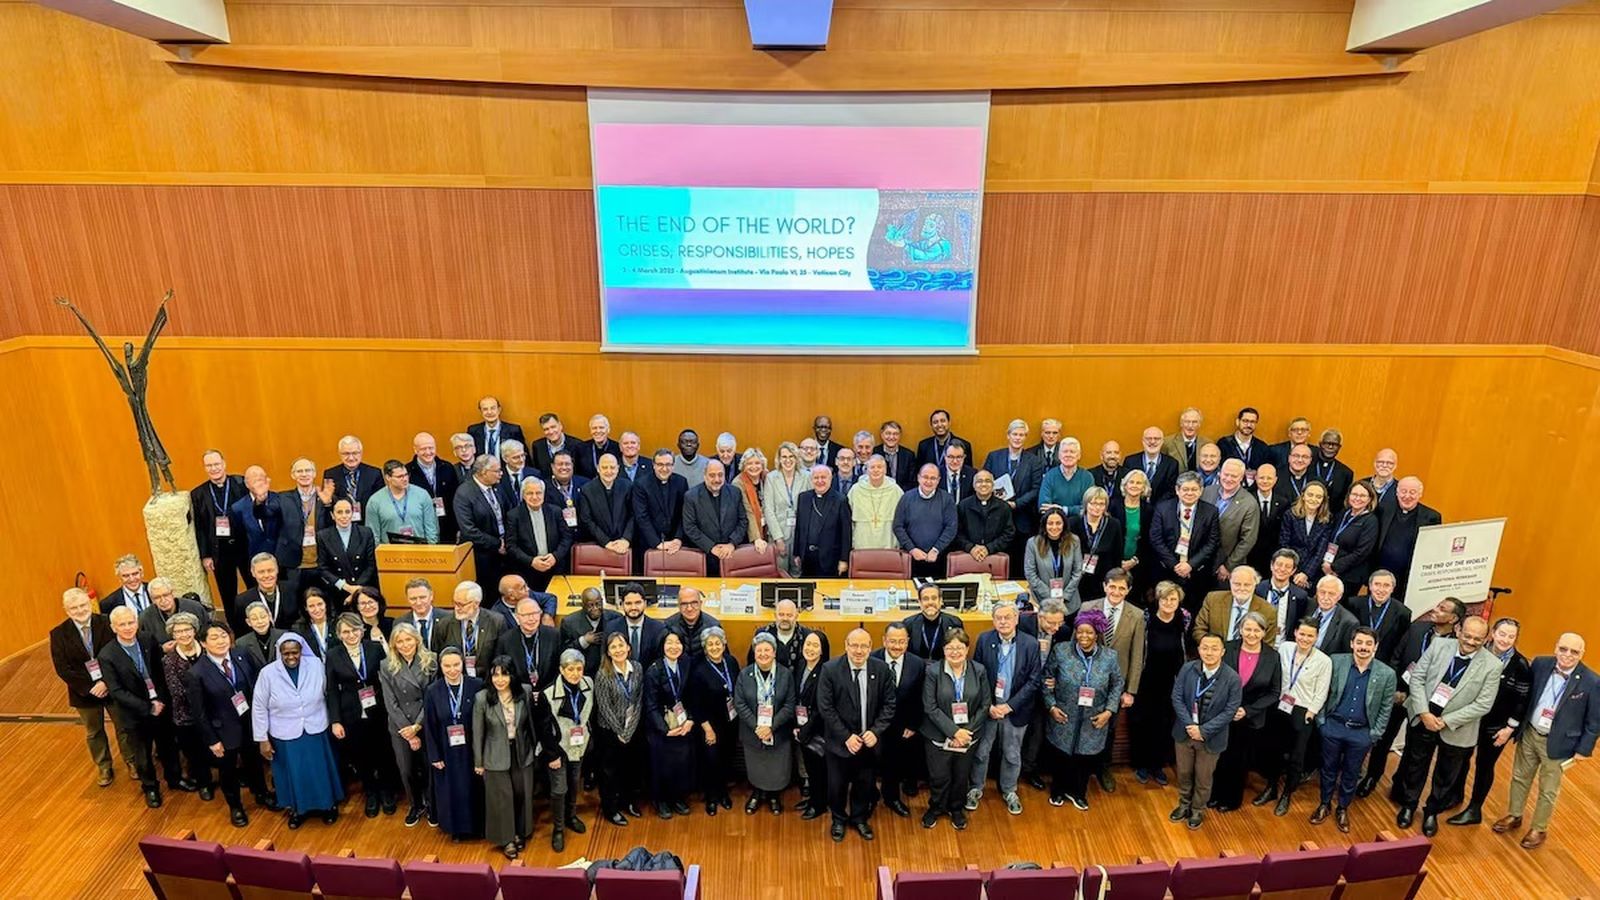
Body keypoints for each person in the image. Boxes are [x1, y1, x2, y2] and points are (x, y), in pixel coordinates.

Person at [1394, 615, 1498, 836]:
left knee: (1446, 773)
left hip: (1456, 728)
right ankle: (1409, 805)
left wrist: (1446, 721)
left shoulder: (1492, 665)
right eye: (1467, 636)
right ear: (1458, 630)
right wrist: (1424, 713)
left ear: (1486, 639)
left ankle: (1432, 811)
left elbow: (1483, 704)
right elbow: (1418, 677)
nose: (1470, 642)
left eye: (1477, 639)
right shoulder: (1439, 645)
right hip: (1423, 718)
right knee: (1415, 764)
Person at [1496, 632, 1600, 850]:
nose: (1567, 655)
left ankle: (1538, 828)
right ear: (1555, 648)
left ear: (1582, 654)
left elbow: (1594, 721)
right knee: (1519, 777)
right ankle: (1514, 815)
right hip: (1530, 733)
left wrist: (1584, 749)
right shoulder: (1541, 664)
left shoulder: (1592, 682)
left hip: (1560, 744)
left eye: (1574, 651)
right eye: (1563, 649)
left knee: (1548, 789)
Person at [1359, 596, 1469, 798]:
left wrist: (1418, 699)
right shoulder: (1417, 628)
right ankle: (1371, 777)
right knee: (1383, 739)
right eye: (1437, 604)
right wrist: (1394, 689)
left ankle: (1400, 786)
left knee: (1413, 748)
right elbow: (1396, 657)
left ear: (1453, 619)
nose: (1435, 609)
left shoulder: (1455, 645)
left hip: (1425, 705)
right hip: (1398, 695)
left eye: (1442, 608)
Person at [1447, 617, 1532, 826]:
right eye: (1502, 634)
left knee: (1485, 765)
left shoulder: (1520, 665)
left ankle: (1474, 809)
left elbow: (1522, 701)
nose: (1505, 640)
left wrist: (1509, 729)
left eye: (1511, 636)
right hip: (1469, 719)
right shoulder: (1477, 652)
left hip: (1495, 727)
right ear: (1492, 633)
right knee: (1461, 757)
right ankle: (1454, 795)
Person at [254, 633, 344, 828]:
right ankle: (298, 810)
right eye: (286, 653)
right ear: (279, 653)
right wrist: (262, 738)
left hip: (316, 728)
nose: (291, 657)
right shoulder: (267, 673)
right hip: (285, 733)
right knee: (294, 773)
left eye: (294, 652)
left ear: (302, 651)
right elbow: (259, 707)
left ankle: (328, 806)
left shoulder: (316, 666)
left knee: (320, 771)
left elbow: (330, 693)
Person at [474, 656, 560, 858]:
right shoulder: (482, 698)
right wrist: (478, 762)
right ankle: (507, 839)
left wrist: (538, 749)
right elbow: (478, 733)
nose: (500, 679)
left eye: (504, 674)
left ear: (512, 675)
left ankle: (520, 832)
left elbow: (531, 724)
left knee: (522, 794)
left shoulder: (525, 692)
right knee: (502, 798)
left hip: (522, 751)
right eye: (495, 675)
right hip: (495, 755)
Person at [1312, 627, 1397, 832]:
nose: (1363, 647)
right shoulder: (1335, 661)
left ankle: (1342, 808)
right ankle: (1324, 804)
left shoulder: (1387, 674)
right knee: (1328, 769)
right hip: (1332, 727)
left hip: (1361, 733)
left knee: (1351, 773)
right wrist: (1322, 722)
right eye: (1359, 642)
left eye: (1369, 644)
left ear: (1376, 647)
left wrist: (1374, 734)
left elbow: (1386, 707)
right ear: (1352, 644)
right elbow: (1323, 690)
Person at [189, 622, 273, 826]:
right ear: (203, 643)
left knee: (254, 761)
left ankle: (261, 793)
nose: (221, 641)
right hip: (223, 732)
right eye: (214, 637)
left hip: (249, 723)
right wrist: (212, 740)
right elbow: (199, 713)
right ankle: (235, 806)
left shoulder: (241, 654)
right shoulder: (197, 673)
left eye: (224, 635)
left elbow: (256, 687)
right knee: (228, 772)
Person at [52, 587, 137, 787]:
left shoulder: (107, 623)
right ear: (66, 610)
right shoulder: (58, 634)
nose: (80, 610)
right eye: (74, 608)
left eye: (83, 605)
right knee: (94, 732)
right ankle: (104, 766)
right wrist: (91, 686)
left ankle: (131, 761)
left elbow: (119, 654)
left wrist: (105, 682)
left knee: (124, 726)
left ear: (89, 603)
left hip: (113, 686)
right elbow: (63, 668)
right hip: (84, 692)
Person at [818, 628, 896, 842]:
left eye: (863, 646)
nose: (858, 651)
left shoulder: (881, 669)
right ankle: (838, 819)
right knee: (837, 786)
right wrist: (846, 736)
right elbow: (826, 708)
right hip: (840, 744)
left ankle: (860, 818)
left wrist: (875, 731)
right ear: (846, 645)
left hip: (869, 743)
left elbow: (889, 705)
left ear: (870, 648)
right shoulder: (830, 669)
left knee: (865, 784)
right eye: (854, 645)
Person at [1043, 609, 1122, 812]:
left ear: (1097, 634)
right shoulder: (1060, 651)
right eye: (1080, 632)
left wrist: (1109, 712)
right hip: (1064, 715)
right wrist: (1051, 706)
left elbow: (1116, 686)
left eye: (1089, 633)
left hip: (1094, 719)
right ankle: (1058, 791)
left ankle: (1078, 793)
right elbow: (1046, 679)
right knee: (1061, 756)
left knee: (1085, 759)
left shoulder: (1110, 657)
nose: (1084, 637)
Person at [969, 601, 1042, 814]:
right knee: (981, 752)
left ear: (1016, 619)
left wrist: (1009, 706)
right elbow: (977, 675)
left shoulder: (1030, 644)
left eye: (1007, 617)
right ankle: (975, 788)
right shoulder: (984, 639)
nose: (1003, 621)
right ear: (993, 620)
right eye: (998, 618)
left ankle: (1010, 790)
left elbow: (1034, 680)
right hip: (989, 709)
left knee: (1012, 754)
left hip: (1015, 709)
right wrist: (988, 705)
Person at [325, 612, 398, 818]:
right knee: (361, 755)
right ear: (339, 634)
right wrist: (336, 720)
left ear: (362, 630)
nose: (351, 635)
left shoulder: (374, 648)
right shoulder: (333, 655)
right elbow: (331, 690)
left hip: (379, 710)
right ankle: (371, 793)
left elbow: (387, 678)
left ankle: (386, 791)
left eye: (355, 629)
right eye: (346, 631)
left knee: (383, 752)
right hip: (351, 713)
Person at [1077, 569, 1144, 793]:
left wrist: (1131, 690)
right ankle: (1082, 768)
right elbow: (1074, 644)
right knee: (1084, 723)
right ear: (1105, 586)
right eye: (1112, 586)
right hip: (1086, 682)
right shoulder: (1088, 607)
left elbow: (1137, 656)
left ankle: (1103, 767)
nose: (1116, 591)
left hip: (1116, 685)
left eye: (1122, 588)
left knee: (1109, 728)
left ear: (1129, 590)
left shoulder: (1136, 615)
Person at [1169, 634, 1242, 829]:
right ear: (1199, 649)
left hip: (1211, 739)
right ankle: (1183, 805)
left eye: (1214, 648)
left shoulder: (1232, 678)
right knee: (1184, 773)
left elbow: (1230, 711)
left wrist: (1203, 730)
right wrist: (1190, 726)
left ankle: (1197, 810)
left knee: (1203, 778)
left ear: (1222, 652)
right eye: (1205, 648)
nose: (1209, 652)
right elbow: (1176, 697)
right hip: (1185, 733)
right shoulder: (1188, 668)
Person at [1210, 612, 1282, 812]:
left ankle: (1231, 800)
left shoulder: (1272, 656)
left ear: (1264, 632)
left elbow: (1274, 692)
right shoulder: (1228, 648)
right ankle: (1214, 795)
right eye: (1247, 629)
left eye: (1256, 630)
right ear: (1240, 630)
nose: (1251, 634)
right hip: (1222, 711)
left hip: (1250, 718)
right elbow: (1215, 676)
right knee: (1218, 756)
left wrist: (1247, 710)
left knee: (1238, 760)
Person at [98, 605, 169, 806]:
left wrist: (161, 700)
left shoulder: (148, 639)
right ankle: (150, 788)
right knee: (143, 755)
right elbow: (117, 691)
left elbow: (160, 671)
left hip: (160, 703)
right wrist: (148, 707)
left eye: (131, 622)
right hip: (134, 714)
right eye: (122, 624)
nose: (128, 627)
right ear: (113, 628)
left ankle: (174, 779)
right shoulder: (107, 655)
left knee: (167, 745)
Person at [918, 629, 989, 829]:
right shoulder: (933, 672)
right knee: (939, 776)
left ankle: (956, 809)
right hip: (938, 736)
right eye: (950, 648)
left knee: (960, 776)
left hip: (968, 736)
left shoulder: (979, 670)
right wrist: (953, 732)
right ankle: (936, 807)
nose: (955, 652)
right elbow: (930, 707)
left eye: (959, 647)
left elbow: (985, 705)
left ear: (967, 649)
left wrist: (965, 733)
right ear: (943, 650)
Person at [1263, 618, 1332, 817]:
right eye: (1302, 634)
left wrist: (1311, 712)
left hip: (1303, 710)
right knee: (1274, 749)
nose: (1305, 638)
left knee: (1296, 756)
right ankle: (1271, 787)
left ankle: (1287, 794)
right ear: (1295, 633)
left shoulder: (1323, 661)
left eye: (1310, 635)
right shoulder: (1285, 648)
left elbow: (1322, 691)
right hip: (1280, 705)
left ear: (1317, 637)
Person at [423, 647, 484, 840]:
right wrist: (435, 755)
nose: (452, 670)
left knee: (474, 788)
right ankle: (457, 829)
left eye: (456, 665)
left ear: (463, 664)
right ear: (440, 666)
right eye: (447, 666)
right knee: (452, 790)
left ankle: (477, 826)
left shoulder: (477, 685)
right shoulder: (433, 691)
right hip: (446, 750)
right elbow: (429, 725)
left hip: (472, 749)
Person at [380, 622, 436, 827]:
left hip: (425, 723)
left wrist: (417, 726)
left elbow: (432, 697)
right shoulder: (386, 665)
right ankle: (415, 804)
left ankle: (432, 804)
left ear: (417, 639)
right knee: (406, 769)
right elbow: (390, 702)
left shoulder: (431, 660)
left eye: (408, 639)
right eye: (399, 642)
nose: (405, 645)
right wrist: (408, 731)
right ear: (394, 645)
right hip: (400, 727)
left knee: (429, 767)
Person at [737, 632, 798, 814]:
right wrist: (758, 727)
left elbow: (789, 705)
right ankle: (757, 793)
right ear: (754, 653)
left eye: (767, 650)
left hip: (777, 731)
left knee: (776, 766)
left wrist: (771, 727)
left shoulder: (785, 674)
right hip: (752, 731)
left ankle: (773, 795)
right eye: (759, 650)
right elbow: (739, 704)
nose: (763, 654)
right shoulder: (744, 674)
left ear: (774, 652)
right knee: (756, 765)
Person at [872, 622, 926, 817]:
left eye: (901, 642)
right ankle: (870, 797)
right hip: (874, 724)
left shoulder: (917, 664)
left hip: (902, 725)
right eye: (892, 641)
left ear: (907, 642)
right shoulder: (872, 658)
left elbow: (920, 697)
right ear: (884, 640)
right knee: (870, 762)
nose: (896, 646)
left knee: (894, 763)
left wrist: (913, 724)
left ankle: (892, 797)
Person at [159, 612, 215, 801]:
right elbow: (177, 691)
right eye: (178, 632)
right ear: (173, 636)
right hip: (186, 715)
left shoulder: (208, 651)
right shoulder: (169, 661)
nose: (184, 635)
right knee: (195, 753)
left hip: (214, 711)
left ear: (194, 630)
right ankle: (204, 783)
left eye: (187, 630)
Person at [593, 631, 646, 826]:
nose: (618, 650)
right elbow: (604, 708)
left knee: (630, 770)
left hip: (632, 729)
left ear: (628, 648)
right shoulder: (603, 674)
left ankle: (628, 801)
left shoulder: (638, 668)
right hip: (610, 732)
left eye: (621, 645)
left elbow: (639, 701)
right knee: (610, 773)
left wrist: (629, 730)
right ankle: (611, 808)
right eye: (613, 647)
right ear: (608, 652)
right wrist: (620, 732)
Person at [642, 632, 697, 818]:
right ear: (662, 646)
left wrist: (690, 719)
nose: (674, 647)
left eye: (678, 642)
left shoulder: (686, 663)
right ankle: (661, 801)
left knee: (681, 764)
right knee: (661, 766)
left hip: (683, 723)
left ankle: (677, 798)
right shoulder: (654, 670)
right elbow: (650, 704)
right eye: (669, 643)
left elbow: (691, 694)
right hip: (661, 726)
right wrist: (665, 730)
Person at [1149, 472, 1221, 610]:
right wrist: (1175, 565)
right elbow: (1156, 539)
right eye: (1185, 489)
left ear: (1201, 491)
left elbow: (1212, 542)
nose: (1189, 493)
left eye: (1194, 489)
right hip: (1167, 571)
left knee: (1193, 610)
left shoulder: (1211, 511)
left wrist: (1190, 565)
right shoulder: (1163, 508)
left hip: (1197, 573)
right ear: (1177, 490)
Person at [687, 627, 740, 814]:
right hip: (710, 725)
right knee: (711, 761)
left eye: (718, 643)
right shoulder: (699, 670)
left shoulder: (731, 662)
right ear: (704, 647)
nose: (715, 647)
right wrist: (708, 729)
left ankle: (723, 792)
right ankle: (711, 797)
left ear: (724, 644)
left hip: (730, 722)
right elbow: (696, 704)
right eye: (710, 644)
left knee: (726, 759)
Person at [1019, 598, 1070, 788]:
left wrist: (1056, 678)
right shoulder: (1023, 624)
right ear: (1040, 617)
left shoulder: (1064, 632)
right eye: (1051, 622)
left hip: (1043, 691)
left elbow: (1064, 659)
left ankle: (1029, 770)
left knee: (1037, 733)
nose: (1056, 627)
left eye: (1059, 622)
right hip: (1021, 686)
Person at [543, 649, 592, 849]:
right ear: (561, 670)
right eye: (570, 669)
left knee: (573, 784)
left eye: (579, 669)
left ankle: (571, 816)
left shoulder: (589, 684)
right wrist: (552, 754)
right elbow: (544, 728)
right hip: (558, 749)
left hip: (578, 746)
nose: (575, 673)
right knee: (559, 789)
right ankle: (558, 828)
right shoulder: (549, 694)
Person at [984, 420, 1046, 577]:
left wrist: (1016, 504)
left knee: (1019, 563)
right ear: (1008, 435)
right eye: (1015, 434)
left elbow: (1036, 489)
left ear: (1025, 437)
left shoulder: (1034, 461)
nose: (1018, 438)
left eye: (1021, 435)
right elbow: (984, 482)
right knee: (997, 561)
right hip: (996, 518)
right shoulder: (994, 457)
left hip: (1022, 519)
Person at [230, 468, 306, 589]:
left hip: (282, 559)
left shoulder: (281, 499)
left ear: (267, 481)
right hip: (255, 560)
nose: (258, 483)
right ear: (247, 484)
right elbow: (240, 539)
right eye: (254, 480)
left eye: (261, 479)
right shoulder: (238, 507)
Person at [192, 450, 250, 605]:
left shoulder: (241, 483)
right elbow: (200, 527)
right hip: (220, 551)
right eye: (209, 465)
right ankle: (236, 628)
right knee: (228, 595)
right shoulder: (198, 494)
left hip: (245, 546)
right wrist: (206, 555)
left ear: (224, 464)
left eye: (216, 464)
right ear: (205, 468)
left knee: (254, 588)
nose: (213, 468)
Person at [454, 455, 509, 602]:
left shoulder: (498, 487)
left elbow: (507, 513)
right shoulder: (464, 493)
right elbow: (469, 530)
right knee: (488, 595)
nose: (501, 473)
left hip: (503, 552)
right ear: (484, 473)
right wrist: (497, 544)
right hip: (481, 556)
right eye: (497, 471)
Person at [1376, 476, 1442, 598]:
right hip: (1380, 572)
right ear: (1397, 492)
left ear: (1420, 494)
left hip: (1408, 577)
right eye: (1403, 491)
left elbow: (1433, 549)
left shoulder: (1432, 517)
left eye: (1412, 492)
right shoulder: (1383, 509)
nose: (1407, 496)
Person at [683, 460, 750, 576]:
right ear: (704, 476)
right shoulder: (691, 496)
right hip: (705, 556)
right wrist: (711, 547)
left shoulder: (735, 493)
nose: (717, 479)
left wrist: (732, 544)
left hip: (731, 554)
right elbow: (690, 527)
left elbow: (743, 521)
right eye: (712, 475)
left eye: (720, 475)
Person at [1201, 459, 1260, 588]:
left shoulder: (1249, 503)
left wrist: (1228, 565)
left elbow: (1248, 540)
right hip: (1200, 562)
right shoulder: (1207, 492)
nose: (1228, 479)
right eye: (1226, 474)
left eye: (1234, 476)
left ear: (1241, 477)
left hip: (1226, 567)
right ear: (1220, 473)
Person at [506, 479, 572, 594]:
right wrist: (531, 561)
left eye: (538, 493)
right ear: (523, 496)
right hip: (528, 572)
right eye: (530, 493)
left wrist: (555, 557)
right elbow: (511, 546)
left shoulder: (555, 511)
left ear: (544, 494)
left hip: (555, 569)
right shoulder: (514, 515)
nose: (535, 497)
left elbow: (566, 538)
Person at [892, 465, 958, 578]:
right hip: (911, 558)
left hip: (939, 559)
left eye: (933, 478)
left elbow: (951, 527)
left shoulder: (947, 499)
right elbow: (898, 526)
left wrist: (936, 549)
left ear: (938, 480)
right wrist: (912, 549)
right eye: (925, 477)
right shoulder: (906, 498)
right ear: (918, 478)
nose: (928, 481)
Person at [794, 631, 831, 820]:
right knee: (810, 768)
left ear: (823, 650)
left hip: (817, 731)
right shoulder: (801, 665)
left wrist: (805, 731)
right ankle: (812, 800)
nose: (810, 649)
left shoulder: (826, 671)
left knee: (819, 771)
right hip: (802, 728)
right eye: (807, 644)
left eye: (815, 645)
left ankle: (820, 805)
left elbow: (821, 708)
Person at [792, 465, 853, 577]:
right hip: (807, 558)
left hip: (830, 560)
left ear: (830, 479)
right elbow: (799, 528)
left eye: (823, 477)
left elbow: (846, 533)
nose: (819, 481)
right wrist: (796, 553)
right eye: (816, 478)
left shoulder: (840, 500)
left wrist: (844, 559)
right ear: (811, 480)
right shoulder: (803, 498)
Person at [1193, 566, 1278, 646]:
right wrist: (1213, 648)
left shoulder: (1268, 610)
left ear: (1255, 584)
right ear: (1230, 582)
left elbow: (1267, 643)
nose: (1241, 588)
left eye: (1247, 585)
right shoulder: (1213, 600)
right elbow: (1199, 629)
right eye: (1237, 584)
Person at [439, 581, 506, 679]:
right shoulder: (445, 623)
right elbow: (440, 653)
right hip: (457, 679)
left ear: (476, 603)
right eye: (455, 603)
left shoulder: (496, 622)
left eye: (462, 604)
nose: (457, 608)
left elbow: (501, 656)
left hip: (488, 680)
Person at [1325, 481, 1380, 600]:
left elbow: (1362, 552)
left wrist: (1334, 567)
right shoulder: (1344, 513)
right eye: (1354, 494)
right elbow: (1333, 540)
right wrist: (1326, 563)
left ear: (1370, 499)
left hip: (1350, 576)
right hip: (1329, 568)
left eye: (1362, 496)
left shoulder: (1371, 521)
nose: (1357, 498)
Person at [635, 448, 690, 565]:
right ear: (653, 465)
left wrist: (678, 539)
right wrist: (657, 543)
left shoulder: (681, 482)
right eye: (660, 464)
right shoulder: (641, 484)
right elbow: (642, 517)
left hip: (675, 545)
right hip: (648, 543)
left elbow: (684, 514)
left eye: (668, 464)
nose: (664, 469)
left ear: (673, 466)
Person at [1066, 487, 1121, 603]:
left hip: (1103, 578)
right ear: (1086, 504)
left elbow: (1117, 555)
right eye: (1093, 503)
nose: (1097, 508)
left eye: (1101, 504)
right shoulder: (1072, 523)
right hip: (1077, 578)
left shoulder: (1114, 524)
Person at [1025, 509, 1084, 615]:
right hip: (1042, 601)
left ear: (1064, 524)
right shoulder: (1033, 543)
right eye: (1050, 523)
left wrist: (1065, 596)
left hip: (1069, 603)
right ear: (1044, 525)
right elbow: (1030, 574)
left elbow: (1078, 571)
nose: (1054, 527)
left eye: (1058, 523)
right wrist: (1050, 596)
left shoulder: (1074, 541)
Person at [365, 460, 439, 544]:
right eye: (400, 476)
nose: (405, 479)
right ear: (388, 477)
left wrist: (432, 549)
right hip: (390, 554)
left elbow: (431, 529)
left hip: (420, 551)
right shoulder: (375, 501)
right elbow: (374, 535)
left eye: (406, 475)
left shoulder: (422, 495)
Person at [496, 597, 560, 692]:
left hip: (549, 691)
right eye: (526, 615)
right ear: (517, 617)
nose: (531, 619)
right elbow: (502, 671)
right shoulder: (505, 640)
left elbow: (560, 667)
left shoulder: (554, 635)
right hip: (519, 694)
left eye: (535, 614)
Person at [408, 432, 462, 544]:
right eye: (423, 449)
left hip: (447, 526)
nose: (428, 452)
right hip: (421, 529)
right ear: (415, 450)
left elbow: (456, 500)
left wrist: (458, 527)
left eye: (431, 448)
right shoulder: (408, 472)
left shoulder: (447, 467)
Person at [762, 442, 807, 575]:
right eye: (784, 457)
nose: (788, 460)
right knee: (780, 573)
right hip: (779, 533)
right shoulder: (771, 478)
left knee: (798, 572)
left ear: (796, 458)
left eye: (791, 456)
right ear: (779, 459)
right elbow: (768, 509)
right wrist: (778, 538)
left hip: (800, 534)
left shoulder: (806, 476)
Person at [1280, 481, 1333, 590]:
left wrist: (1306, 574)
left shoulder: (1327, 519)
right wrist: (1295, 572)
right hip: (1290, 570)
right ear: (1303, 495)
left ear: (1323, 500)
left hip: (1313, 572)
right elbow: (1284, 544)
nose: (1313, 499)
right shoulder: (1290, 515)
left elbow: (1320, 551)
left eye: (1318, 497)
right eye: (1310, 495)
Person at [1351, 570, 1413, 663]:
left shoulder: (1403, 613)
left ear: (1392, 588)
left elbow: (1401, 646)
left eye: (1386, 585)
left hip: (1383, 664)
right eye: (1377, 584)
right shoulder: (1354, 604)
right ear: (1370, 586)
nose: (1381, 589)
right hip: (1354, 660)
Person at [232, 552, 302, 636]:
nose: (266, 575)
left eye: (270, 570)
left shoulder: (294, 589)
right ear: (253, 573)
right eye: (261, 572)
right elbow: (241, 633)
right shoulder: (242, 601)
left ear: (277, 570)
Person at [579, 454, 634, 557]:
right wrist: (606, 542)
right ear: (598, 469)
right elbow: (586, 520)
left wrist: (625, 539)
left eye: (612, 467)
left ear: (618, 468)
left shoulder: (628, 486)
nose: (609, 471)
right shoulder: (587, 490)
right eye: (604, 467)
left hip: (625, 545)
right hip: (599, 545)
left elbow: (633, 515)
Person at [136, 578, 209, 656]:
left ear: (172, 593)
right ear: (151, 599)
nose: (163, 600)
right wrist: (161, 649)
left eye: (166, 595)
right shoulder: (145, 617)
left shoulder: (195, 607)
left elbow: (208, 632)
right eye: (157, 597)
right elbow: (144, 646)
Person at [750, 598, 829, 668]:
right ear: (775, 615)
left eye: (789, 615)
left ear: (796, 616)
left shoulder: (807, 636)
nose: (785, 618)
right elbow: (752, 663)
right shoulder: (763, 634)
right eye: (781, 615)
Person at [285, 458, 334, 570]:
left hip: (323, 563)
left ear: (314, 473)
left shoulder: (326, 497)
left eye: (308, 470)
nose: (304, 474)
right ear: (293, 475)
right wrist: (260, 500)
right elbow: (266, 513)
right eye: (299, 471)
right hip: (295, 565)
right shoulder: (284, 499)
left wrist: (327, 504)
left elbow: (334, 527)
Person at [1113, 469, 1155, 599]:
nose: (1134, 485)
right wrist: (1119, 561)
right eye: (1131, 482)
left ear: (1144, 487)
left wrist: (1135, 560)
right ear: (1125, 485)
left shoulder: (1149, 510)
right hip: (1114, 562)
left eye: (1139, 483)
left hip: (1138, 564)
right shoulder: (1113, 505)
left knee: (1134, 600)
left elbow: (1149, 540)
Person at [848, 455, 903, 552]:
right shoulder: (856, 490)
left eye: (879, 467)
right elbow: (848, 520)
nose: (876, 470)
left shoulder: (895, 490)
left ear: (885, 470)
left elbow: (902, 520)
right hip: (863, 542)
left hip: (888, 541)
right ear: (867, 470)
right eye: (872, 467)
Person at [560, 587, 621, 674]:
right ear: (583, 605)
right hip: (583, 673)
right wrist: (583, 641)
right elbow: (563, 651)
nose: (595, 608)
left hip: (610, 672)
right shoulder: (569, 623)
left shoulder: (615, 618)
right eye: (590, 605)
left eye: (598, 604)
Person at [606, 583, 667, 668]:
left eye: (638, 603)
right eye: (628, 603)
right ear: (622, 604)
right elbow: (606, 661)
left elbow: (661, 663)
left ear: (645, 603)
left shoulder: (658, 629)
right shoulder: (611, 628)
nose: (633, 607)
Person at [1246, 463, 1292, 575]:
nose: (1265, 481)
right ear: (1255, 478)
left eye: (1269, 478)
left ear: (1275, 480)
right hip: (1249, 555)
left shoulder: (1283, 502)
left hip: (1273, 557)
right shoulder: (1247, 498)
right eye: (1262, 477)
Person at [1256, 550, 1311, 642]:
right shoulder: (1258, 589)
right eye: (1279, 564)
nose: (1282, 569)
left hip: (1284, 644)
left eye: (1288, 566)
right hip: (1258, 641)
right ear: (1271, 566)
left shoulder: (1300, 596)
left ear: (1293, 571)